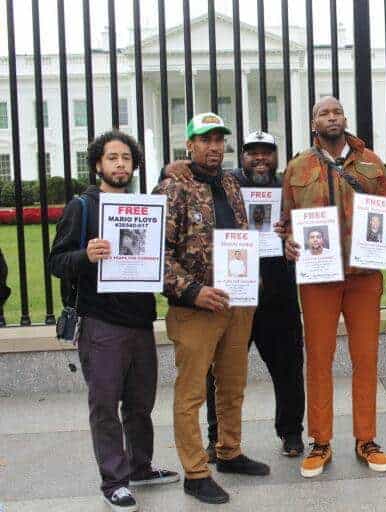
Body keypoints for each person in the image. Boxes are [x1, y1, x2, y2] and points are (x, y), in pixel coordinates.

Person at [50, 131, 178, 512]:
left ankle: (140, 467)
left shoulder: (144, 206)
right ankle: (114, 481)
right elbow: (57, 262)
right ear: (98, 164)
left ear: (134, 165)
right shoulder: (82, 207)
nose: (120, 164)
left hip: (140, 320)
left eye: (126, 158)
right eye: (112, 158)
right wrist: (85, 255)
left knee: (140, 403)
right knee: (105, 404)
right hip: (101, 323)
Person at [162, 129, 306, 462]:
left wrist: (291, 235)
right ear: (241, 156)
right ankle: (217, 440)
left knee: (288, 366)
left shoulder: (288, 187)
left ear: (276, 157)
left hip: (278, 291)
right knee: (221, 374)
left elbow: (312, 223)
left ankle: (291, 432)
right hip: (234, 292)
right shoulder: (227, 183)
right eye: (252, 152)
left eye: (266, 152)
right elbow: (188, 179)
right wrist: (167, 169)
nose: (260, 158)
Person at [281, 96, 386, 478]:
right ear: (314, 123)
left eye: (337, 112)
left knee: (366, 358)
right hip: (319, 278)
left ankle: (366, 439)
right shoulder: (298, 167)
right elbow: (286, 221)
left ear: (345, 118)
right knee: (319, 359)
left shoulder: (372, 163)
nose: (331, 117)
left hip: (364, 276)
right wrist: (288, 242)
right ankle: (320, 441)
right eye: (324, 113)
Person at [154, 113, 269, 505]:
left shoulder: (231, 183)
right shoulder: (172, 188)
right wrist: (193, 291)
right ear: (190, 145)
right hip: (195, 308)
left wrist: (251, 273)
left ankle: (229, 451)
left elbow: (241, 235)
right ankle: (195, 472)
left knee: (233, 384)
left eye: (219, 139)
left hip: (236, 301)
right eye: (205, 140)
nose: (214, 147)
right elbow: (158, 256)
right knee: (190, 394)